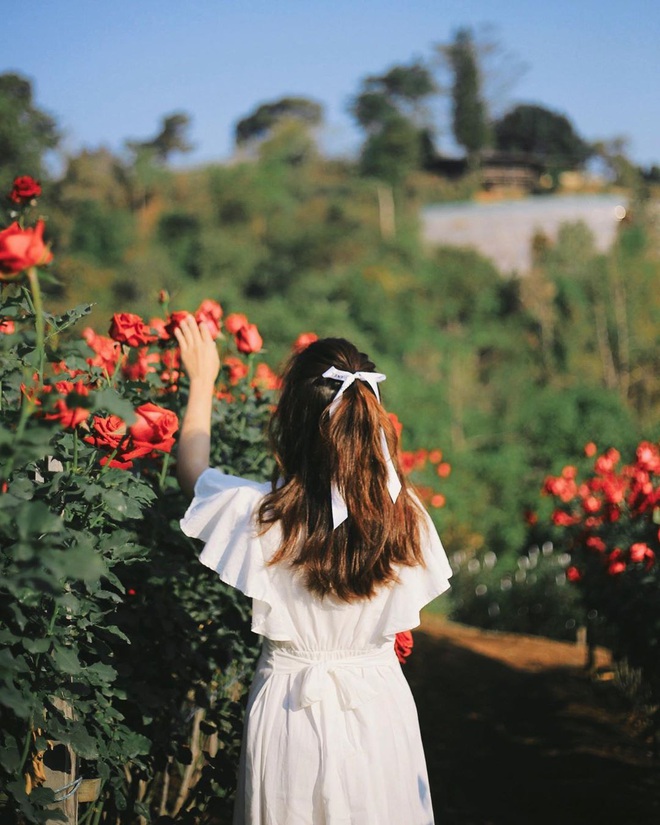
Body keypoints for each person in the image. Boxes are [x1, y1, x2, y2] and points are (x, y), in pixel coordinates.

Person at [175, 315, 452, 825]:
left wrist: (202, 380)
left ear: (293, 423)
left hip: (288, 712)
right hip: (380, 710)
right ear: (371, 418)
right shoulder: (406, 519)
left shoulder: (260, 516)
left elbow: (194, 474)